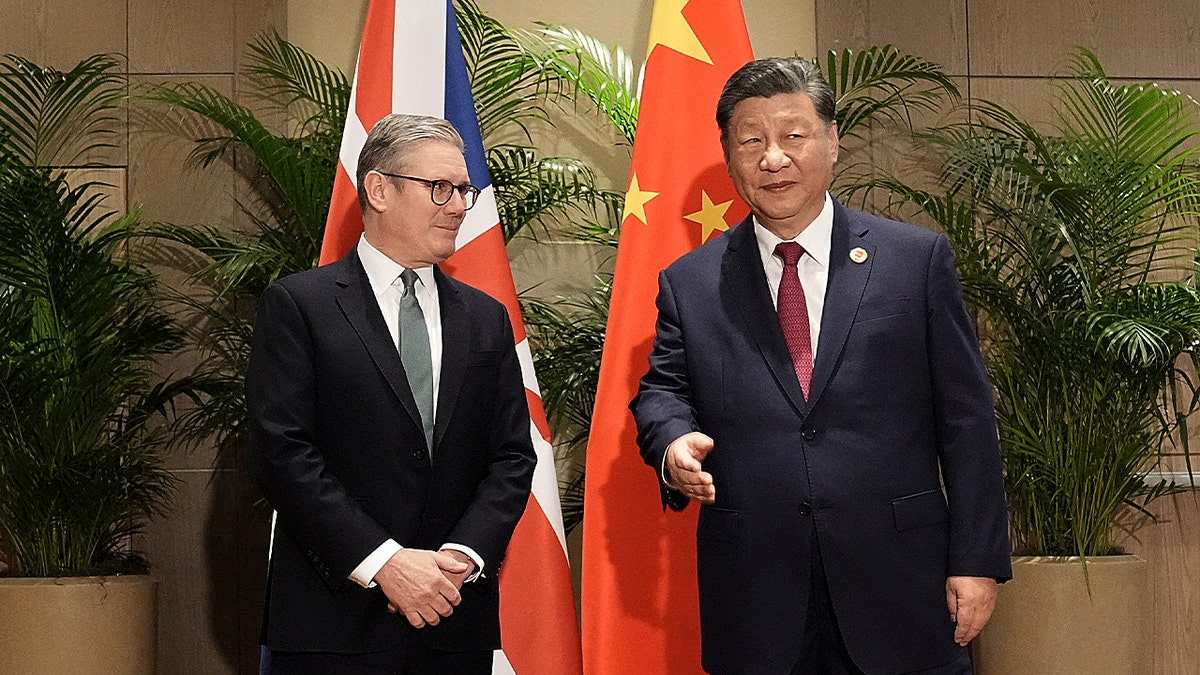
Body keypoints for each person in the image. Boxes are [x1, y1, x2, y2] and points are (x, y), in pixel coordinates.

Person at [630, 57, 1012, 675]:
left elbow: (967, 421)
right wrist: (672, 442)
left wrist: (977, 560)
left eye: (793, 135)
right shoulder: (691, 282)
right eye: (751, 140)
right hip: (756, 592)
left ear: (832, 142)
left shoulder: (915, 261)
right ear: (727, 155)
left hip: (901, 583)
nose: (772, 158)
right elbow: (662, 391)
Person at [247, 113, 536, 673]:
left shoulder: (486, 319)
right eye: (441, 188)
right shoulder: (298, 306)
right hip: (333, 624)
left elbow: (512, 456)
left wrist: (461, 557)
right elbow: (282, 452)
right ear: (378, 189)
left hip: (452, 618)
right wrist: (385, 563)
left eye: (464, 191)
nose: (458, 206)